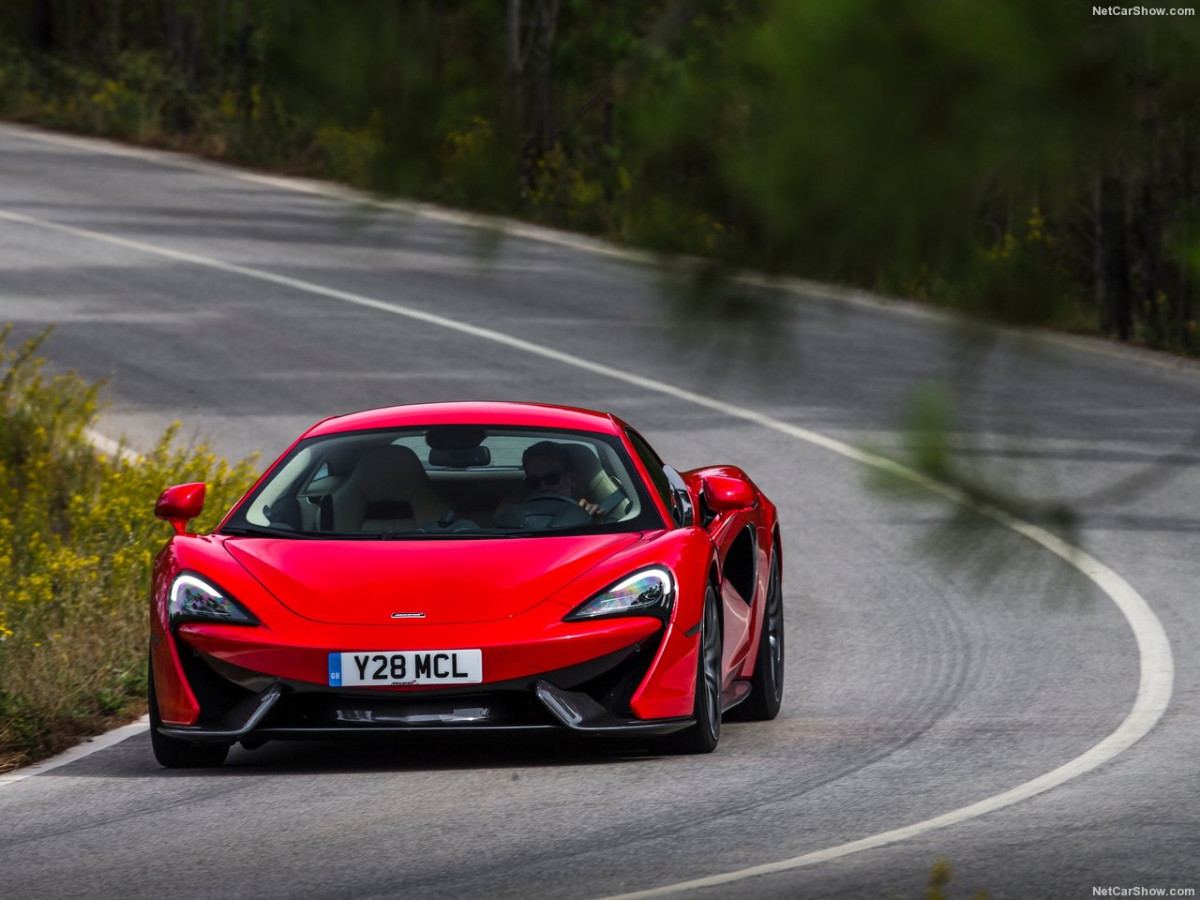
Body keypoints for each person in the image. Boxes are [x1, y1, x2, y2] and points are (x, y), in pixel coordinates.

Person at [517, 440, 602, 517]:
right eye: (533, 482)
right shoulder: (516, 516)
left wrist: (593, 520)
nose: (543, 487)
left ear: (572, 479)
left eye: (551, 478)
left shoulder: (587, 513)